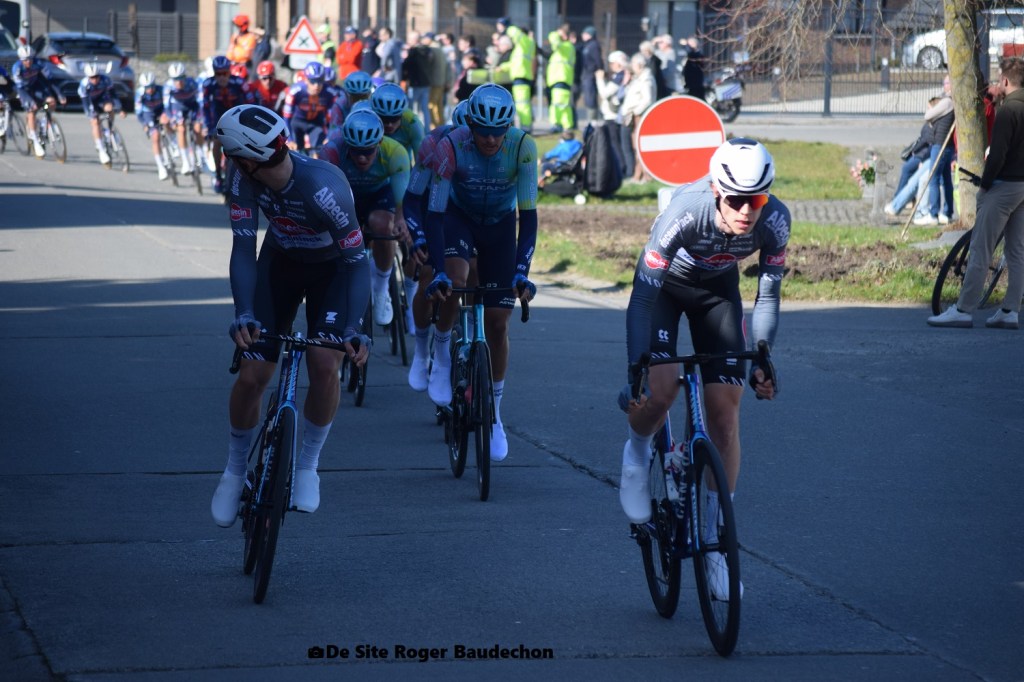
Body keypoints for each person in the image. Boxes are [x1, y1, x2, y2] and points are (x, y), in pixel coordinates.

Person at [618, 138, 786, 600]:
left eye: (757, 200)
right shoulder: (685, 212)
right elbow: (642, 297)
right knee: (660, 392)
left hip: (717, 292)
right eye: (736, 200)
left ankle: (714, 544)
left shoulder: (776, 220)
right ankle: (636, 454)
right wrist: (637, 365)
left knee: (725, 419)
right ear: (716, 191)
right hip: (665, 291)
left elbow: (768, 294)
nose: (747, 211)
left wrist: (763, 355)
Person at [210, 104, 370, 526]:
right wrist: (244, 312)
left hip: (333, 271)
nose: (229, 163)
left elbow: (358, 263)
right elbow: (243, 248)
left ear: (249, 159)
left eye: (230, 155)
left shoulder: (324, 187)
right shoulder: (243, 180)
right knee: (252, 374)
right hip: (279, 264)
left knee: (324, 364)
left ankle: (308, 465)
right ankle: (234, 470)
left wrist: (354, 327)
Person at [419, 84, 539, 461]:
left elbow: (529, 217)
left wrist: (521, 270)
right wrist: (438, 270)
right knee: (455, 281)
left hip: (500, 225)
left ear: (508, 127)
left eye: (497, 131)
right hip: (458, 219)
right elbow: (434, 214)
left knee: (499, 324)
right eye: (483, 131)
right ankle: (441, 355)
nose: (490, 139)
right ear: (470, 125)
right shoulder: (451, 146)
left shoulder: (523, 147)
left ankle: (496, 414)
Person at [928, 56, 1024, 331]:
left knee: (981, 248)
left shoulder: (1008, 110)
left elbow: (997, 155)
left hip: (1003, 186)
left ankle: (963, 309)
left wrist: (984, 186)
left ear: (1005, 81)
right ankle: (1010, 310)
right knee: (1017, 251)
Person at [404, 100, 472, 388]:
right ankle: (422, 351)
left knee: (474, 278)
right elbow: (412, 199)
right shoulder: (434, 144)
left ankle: (472, 337)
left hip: (470, 214)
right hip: (435, 209)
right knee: (430, 279)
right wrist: (419, 235)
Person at [321, 109, 411, 327]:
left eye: (368, 151)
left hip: (379, 195)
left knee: (384, 226)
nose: (362, 157)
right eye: (356, 151)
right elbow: (324, 196)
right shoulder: (331, 151)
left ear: (379, 143)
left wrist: (401, 222)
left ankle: (381, 288)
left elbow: (402, 203)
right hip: (344, 194)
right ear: (347, 145)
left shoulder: (395, 152)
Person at [202, 55, 255, 193]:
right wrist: (208, 127)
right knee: (216, 141)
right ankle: (218, 175)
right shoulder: (208, 84)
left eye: (224, 73)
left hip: (237, 116)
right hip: (218, 118)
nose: (221, 77)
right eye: (218, 74)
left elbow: (251, 103)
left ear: (229, 71)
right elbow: (206, 107)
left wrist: (250, 123)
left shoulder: (239, 82)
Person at [884, 98, 937, 217]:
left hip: (923, 156)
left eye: (929, 108)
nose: (926, 111)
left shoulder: (934, 125)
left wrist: (916, 154)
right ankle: (901, 200)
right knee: (910, 173)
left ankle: (898, 200)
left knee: (909, 171)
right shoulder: (929, 123)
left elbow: (928, 144)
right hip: (921, 154)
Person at [11, 44, 66, 158]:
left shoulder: (38, 63)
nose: (28, 62)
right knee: (32, 110)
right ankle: (34, 138)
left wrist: (59, 95)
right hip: (24, 90)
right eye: (25, 60)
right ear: (21, 60)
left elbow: (50, 80)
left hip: (36, 87)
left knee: (51, 102)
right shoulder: (17, 68)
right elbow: (20, 88)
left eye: (30, 59)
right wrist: (30, 101)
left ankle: (46, 120)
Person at [915, 74, 955, 225]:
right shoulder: (953, 101)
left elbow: (928, 115)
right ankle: (947, 212)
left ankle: (933, 214)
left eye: (946, 83)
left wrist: (931, 109)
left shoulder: (947, 102)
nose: (944, 86)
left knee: (934, 179)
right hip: (948, 146)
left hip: (940, 145)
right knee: (946, 179)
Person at [282, 62, 336, 157]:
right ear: (306, 80)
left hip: (315, 123)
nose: (317, 85)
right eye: (313, 81)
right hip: (297, 122)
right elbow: (286, 118)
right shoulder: (295, 91)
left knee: (318, 153)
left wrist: (329, 136)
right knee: (295, 152)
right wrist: (289, 140)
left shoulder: (330, 93)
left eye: (320, 81)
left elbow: (332, 120)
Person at [619, 52, 656, 183]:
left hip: (640, 116)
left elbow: (647, 99)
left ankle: (642, 175)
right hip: (634, 116)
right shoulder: (638, 78)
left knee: (639, 147)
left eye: (634, 64)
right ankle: (640, 175)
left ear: (640, 65)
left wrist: (636, 111)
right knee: (637, 147)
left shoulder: (646, 79)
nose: (632, 67)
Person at [78, 62, 124, 166]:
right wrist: (90, 114)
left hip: (102, 99)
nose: (95, 79)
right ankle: (100, 148)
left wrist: (120, 108)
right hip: (90, 102)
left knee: (110, 108)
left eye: (96, 76)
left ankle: (111, 130)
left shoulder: (106, 80)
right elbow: (86, 103)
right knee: (95, 122)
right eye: (92, 77)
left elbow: (113, 95)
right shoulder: (84, 84)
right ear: (88, 77)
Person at [163, 62, 205, 174]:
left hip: (192, 105)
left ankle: (201, 156)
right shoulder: (168, 86)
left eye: (181, 78)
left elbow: (200, 100)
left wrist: (201, 116)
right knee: (181, 129)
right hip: (178, 107)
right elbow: (166, 105)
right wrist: (172, 119)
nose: (179, 82)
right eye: (175, 79)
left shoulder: (192, 83)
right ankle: (186, 161)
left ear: (185, 76)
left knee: (198, 128)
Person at [134, 72, 168, 180]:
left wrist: (166, 115)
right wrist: (144, 124)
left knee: (168, 123)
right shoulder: (139, 93)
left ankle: (173, 144)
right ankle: (161, 167)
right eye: (147, 87)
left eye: (152, 86)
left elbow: (168, 105)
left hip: (161, 110)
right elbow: (138, 112)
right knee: (155, 136)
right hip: (148, 114)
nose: (150, 89)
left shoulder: (161, 90)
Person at [544, 24, 576, 134]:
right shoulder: (563, 49)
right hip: (558, 80)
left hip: (561, 79)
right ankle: (566, 126)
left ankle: (558, 125)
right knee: (562, 104)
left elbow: (554, 41)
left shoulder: (567, 47)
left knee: (559, 104)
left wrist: (557, 33)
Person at [402, 31, 433, 129]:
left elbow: (406, 65)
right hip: (426, 83)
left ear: (413, 40)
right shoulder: (428, 50)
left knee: (410, 108)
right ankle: (427, 129)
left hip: (414, 83)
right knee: (424, 109)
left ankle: (411, 128)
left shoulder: (413, 51)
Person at [577, 26, 603, 123]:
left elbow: (598, 60)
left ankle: (593, 120)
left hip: (591, 75)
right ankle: (591, 120)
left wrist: (599, 70)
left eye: (585, 34)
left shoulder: (594, 45)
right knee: (587, 98)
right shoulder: (586, 45)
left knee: (591, 97)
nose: (582, 35)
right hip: (586, 75)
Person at [681, 36, 706, 100]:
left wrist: (686, 45)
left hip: (696, 85)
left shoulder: (698, 56)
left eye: (689, 45)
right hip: (690, 85)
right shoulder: (689, 56)